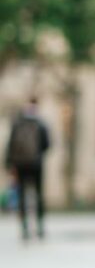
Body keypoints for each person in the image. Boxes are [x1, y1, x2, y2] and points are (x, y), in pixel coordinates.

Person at [5, 97, 50, 240]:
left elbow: (10, 145)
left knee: (22, 195)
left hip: (20, 164)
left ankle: (24, 228)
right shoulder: (40, 124)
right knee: (38, 195)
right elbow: (47, 144)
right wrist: (38, 155)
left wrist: (8, 163)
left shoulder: (17, 124)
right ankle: (40, 227)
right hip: (37, 165)